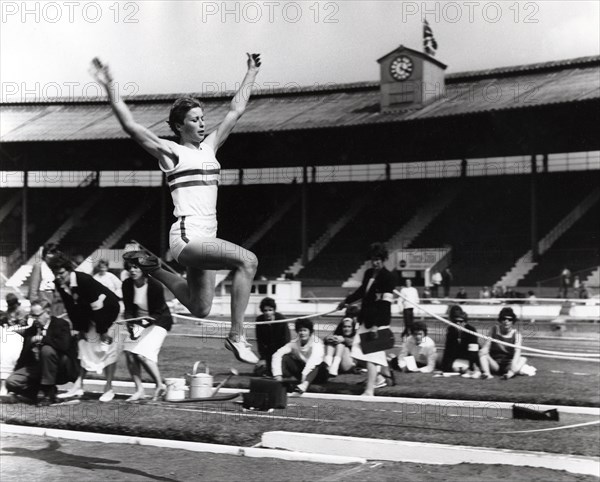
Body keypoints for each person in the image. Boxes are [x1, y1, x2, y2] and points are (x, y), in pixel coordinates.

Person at [90, 54, 262, 364]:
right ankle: (237, 336)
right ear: (179, 126)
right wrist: (110, 86)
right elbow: (131, 126)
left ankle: (153, 266)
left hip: (206, 237)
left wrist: (251, 72)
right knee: (247, 261)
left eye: (202, 117)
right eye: (195, 119)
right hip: (186, 238)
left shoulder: (210, 147)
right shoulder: (172, 152)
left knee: (201, 307)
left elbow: (236, 110)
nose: (202, 123)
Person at [48, 254, 121, 401]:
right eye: (55, 273)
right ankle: (78, 386)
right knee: (84, 347)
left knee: (107, 349)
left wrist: (102, 331)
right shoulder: (59, 283)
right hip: (90, 314)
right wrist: (79, 328)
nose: (58, 276)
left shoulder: (84, 280)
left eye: (61, 273)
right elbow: (70, 307)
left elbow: (98, 306)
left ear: (69, 270)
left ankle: (109, 388)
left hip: (108, 311)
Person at [338, 242, 395, 396]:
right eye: (373, 259)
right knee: (359, 351)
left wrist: (376, 326)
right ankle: (386, 376)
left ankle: (369, 390)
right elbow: (362, 291)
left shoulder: (388, 277)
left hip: (378, 321)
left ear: (383, 260)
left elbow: (385, 304)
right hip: (366, 319)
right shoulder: (368, 273)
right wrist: (346, 301)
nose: (375, 262)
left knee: (371, 355)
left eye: (378, 259)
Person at [5, 299, 78, 405]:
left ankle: (48, 394)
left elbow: (64, 346)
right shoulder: (32, 329)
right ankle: (37, 392)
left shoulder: (61, 324)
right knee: (11, 381)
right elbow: (24, 356)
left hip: (61, 367)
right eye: (32, 316)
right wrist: (16, 372)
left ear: (47, 313)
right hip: (38, 367)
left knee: (46, 350)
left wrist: (42, 339)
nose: (34, 319)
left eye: (37, 316)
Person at [121, 260, 173, 401]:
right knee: (129, 352)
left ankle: (159, 385)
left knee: (142, 355)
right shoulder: (126, 284)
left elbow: (157, 312)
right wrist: (130, 324)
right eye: (130, 267)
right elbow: (129, 309)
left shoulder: (155, 285)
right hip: (139, 321)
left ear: (143, 269)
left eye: (136, 267)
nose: (132, 270)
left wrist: (142, 325)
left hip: (160, 321)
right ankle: (139, 390)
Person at [271, 319, 328, 396]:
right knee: (285, 357)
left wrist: (304, 375)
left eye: (305, 330)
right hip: (302, 374)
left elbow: (314, 361)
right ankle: (282, 383)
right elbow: (277, 354)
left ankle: (305, 385)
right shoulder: (294, 343)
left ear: (310, 332)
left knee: (316, 363)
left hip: (319, 373)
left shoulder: (317, 343)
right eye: (300, 330)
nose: (302, 333)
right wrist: (277, 375)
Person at [479, 307, 531, 380]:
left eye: (509, 319)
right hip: (494, 363)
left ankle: (509, 374)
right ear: (500, 320)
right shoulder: (494, 330)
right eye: (504, 319)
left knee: (523, 359)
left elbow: (517, 351)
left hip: (508, 365)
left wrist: (513, 365)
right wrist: (483, 351)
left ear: (513, 321)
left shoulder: (517, 335)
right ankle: (487, 374)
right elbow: (487, 346)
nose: (506, 321)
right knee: (482, 353)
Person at [440, 305, 481, 377]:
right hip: (458, 357)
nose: (458, 323)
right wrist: (446, 367)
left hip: (470, 357)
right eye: (455, 321)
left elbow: (473, 353)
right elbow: (448, 351)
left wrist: (471, 367)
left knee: (462, 367)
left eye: (461, 321)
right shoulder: (450, 330)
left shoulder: (471, 330)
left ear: (465, 322)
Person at [254, 297, 290, 377]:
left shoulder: (281, 320)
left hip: (281, 352)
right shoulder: (259, 320)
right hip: (268, 353)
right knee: (259, 371)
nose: (267, 313)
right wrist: (263, 358)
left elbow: (286, 340)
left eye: (270, 310)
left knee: (279, 373)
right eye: (265, 310)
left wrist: (279, 355)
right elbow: (260, 341)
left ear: (274, 310)